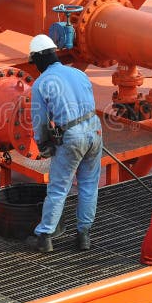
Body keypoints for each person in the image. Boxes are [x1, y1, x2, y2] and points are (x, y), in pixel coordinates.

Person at [26, 34, 103, 253]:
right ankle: (84, 236)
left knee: (59, 187)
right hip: (95, 130)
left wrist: (43, 144)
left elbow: (39, 121)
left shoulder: (41, 83)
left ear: (39, 59)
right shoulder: (78, 73)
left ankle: (45, 236)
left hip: (72, 137)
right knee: (89, 184)